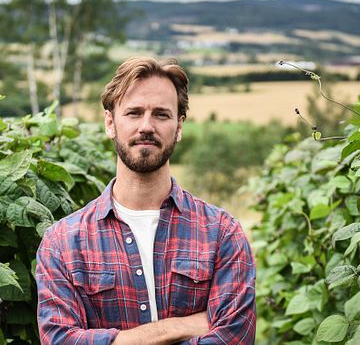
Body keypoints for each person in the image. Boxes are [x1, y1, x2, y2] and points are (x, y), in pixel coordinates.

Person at [36, 57, 256, 344]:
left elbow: (235, 337)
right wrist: (179, 327)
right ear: (110, 122)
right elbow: (59, 340)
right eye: (134, 113)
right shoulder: (63, 243)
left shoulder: (222, 233)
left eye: (161, 115)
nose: (146, 126)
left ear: (179, 126)